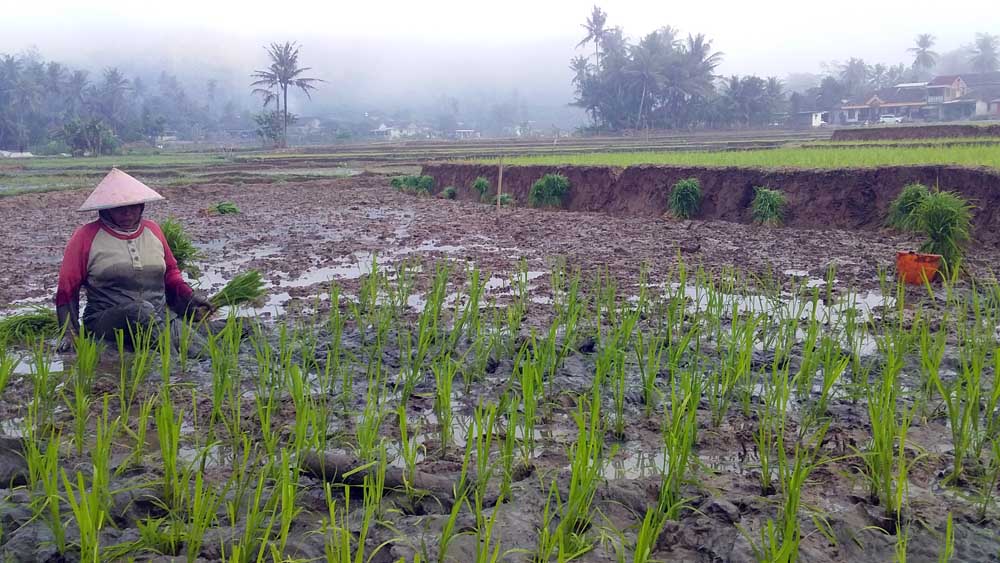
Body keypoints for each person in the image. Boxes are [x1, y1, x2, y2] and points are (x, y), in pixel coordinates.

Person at [55, 168, 214, 353]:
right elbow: (67, 290)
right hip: (107, 320)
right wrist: (69, 332)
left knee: (202, 351)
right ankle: (173, 367)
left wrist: (190, 296)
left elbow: (171, 274)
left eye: (133, 206)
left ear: (142, 206)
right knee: (141, 311)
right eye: (119, 208)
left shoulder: (153, 230)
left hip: (159, 315)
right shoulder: (85, 236)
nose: (127, 213)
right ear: (106, 209)